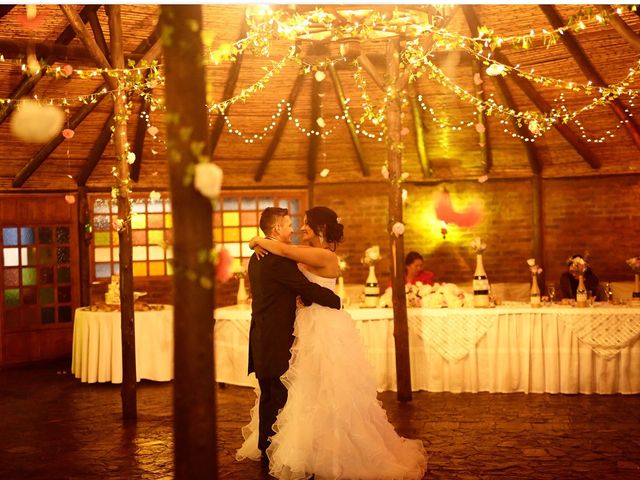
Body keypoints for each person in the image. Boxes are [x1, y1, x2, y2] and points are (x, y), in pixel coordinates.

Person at [237, 206, 427, 480]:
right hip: (304, 327)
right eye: (296, 224)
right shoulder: (292, 254)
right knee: (305, 389)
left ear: (321, 229)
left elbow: (287, 254)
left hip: (324, 324)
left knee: (329, 388)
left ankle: (333, 446)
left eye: (306, 224)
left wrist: (257, 240)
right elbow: (287, 264)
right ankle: (308, 445)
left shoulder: (323, 255)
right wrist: (259, 242)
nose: (300, 228)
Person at [240, 207, 342, 465]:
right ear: (276, 229)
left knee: (273, 395)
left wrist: (255, 241)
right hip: (275, 338)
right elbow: (304, 287)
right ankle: (277, 452)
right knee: (280, 396)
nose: (294, 229)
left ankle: (270, 449)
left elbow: (299, 286)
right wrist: (335, 300)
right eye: (288, 225)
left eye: (302, 224)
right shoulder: (275, 257)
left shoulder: (261, 255)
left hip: (267, 335)